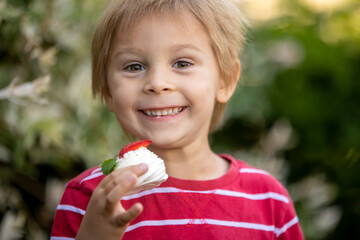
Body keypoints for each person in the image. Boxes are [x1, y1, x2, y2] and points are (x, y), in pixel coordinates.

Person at [51, 0, 304, 239]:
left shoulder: (268, 200)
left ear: (225, 79)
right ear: (108, 91)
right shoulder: (90, 197)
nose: (158, 84)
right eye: (134, 67)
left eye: (182, 63)